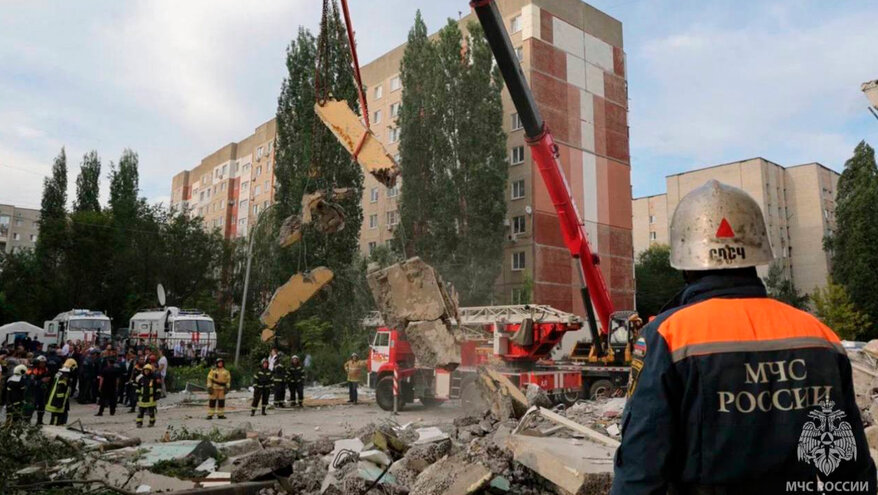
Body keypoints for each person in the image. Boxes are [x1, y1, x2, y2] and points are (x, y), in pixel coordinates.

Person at [611, 180, 877, 494]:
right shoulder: (820, 335)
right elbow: (850, 470)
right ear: (756, 255)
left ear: (684, 263)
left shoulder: (668, 336)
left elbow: (642, 467)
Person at [27, 355, 51, 425]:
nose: (43, 364)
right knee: (32, 407)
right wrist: (42, 381)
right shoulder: (32, 370)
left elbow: (47, 377)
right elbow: (31, 383)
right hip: (33, 391)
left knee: (42, 406)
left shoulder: (45, 369)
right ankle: (27, 422)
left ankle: (39, 421)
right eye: (41, 362)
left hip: (42, 391)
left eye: (44, 362)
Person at [135, 363, 159, 428]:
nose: (146, 372)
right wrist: (137, 395)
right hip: (142, 398)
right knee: (140, 412)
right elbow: (138, 388)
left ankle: (152, 422)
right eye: (145, 370)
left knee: (151, 412)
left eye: (148, 370)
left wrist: (157, 395)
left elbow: (157, 387)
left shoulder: (153, 378)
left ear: (150, 371)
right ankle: (139, 423)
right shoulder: (140, 378)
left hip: (151, 398)